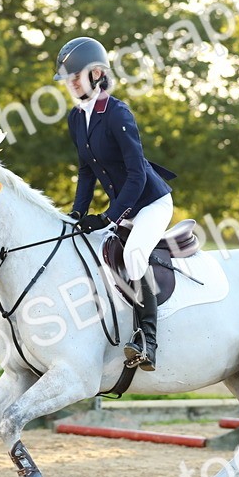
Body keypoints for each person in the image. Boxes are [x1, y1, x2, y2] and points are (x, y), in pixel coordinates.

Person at [53, 36, 177, 372]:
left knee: (134, 257)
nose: (69, 84)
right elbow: (85, 171)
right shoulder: (77, 118)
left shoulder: (117, 112)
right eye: (66, 79)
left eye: (74, 77)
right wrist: (78, 213)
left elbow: (137, 175)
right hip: (126, 204)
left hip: (150, 202)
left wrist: (109, 216)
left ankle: (147, 341)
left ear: (96, 74)